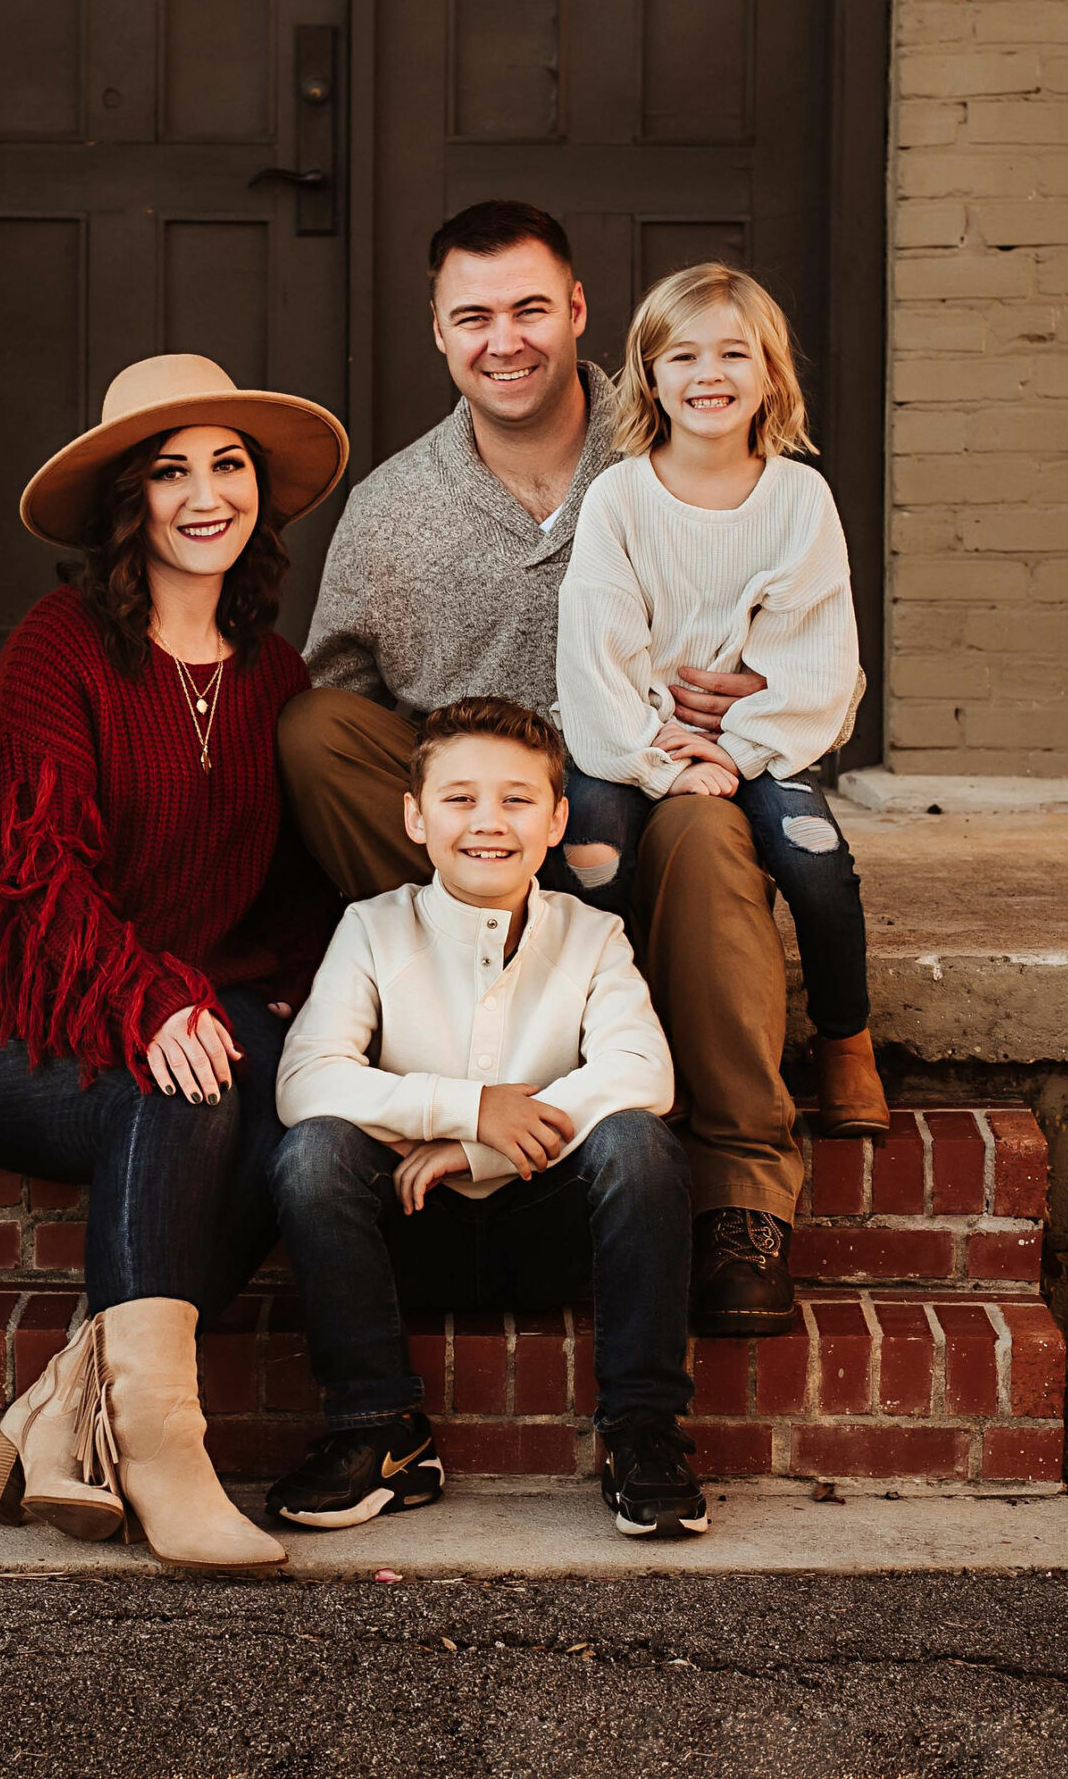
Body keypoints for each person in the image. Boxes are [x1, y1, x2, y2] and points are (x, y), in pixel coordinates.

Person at [280, 200, 806, 1334]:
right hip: (481, 839)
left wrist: (758, 694)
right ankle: (462, 1011)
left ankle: (739, 1197)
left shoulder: (684, 445)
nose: (504, 340)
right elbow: (344, 702)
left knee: (712, 833)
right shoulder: (390, 510)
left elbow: (808, 634)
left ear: (576, 310)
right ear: (437, 330)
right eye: (472, 317)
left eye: (528, 309)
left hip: (650, 799)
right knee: (315, 729)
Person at [0, 353, 347, 1576]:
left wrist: (296, 991)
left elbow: (289, 884)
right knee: (180, 1084)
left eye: (227, 465)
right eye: (169, 471)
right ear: (128, 503)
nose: (205, 494)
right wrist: (149, 998)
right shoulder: (62, 645)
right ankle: (161, 1452)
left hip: (163, 1003)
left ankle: (64, 1408)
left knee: (272, 1086)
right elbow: (31, 870)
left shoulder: (273, 671)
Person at [266, 698, 705, 1541]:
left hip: (551, 1232)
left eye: (516, 799)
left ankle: (642, 1431)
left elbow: (642, 1071)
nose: (488, 822)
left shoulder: (592, 935)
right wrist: (467, 1107)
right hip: (407, 1234)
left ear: (556, 820)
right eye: (459, 798)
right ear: (415, 817)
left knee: (638, 1141)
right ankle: (379, 1430)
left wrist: (478, 1148)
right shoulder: (370, 928)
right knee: (314, 1153)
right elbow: (306, 1080)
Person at [555, 264, 888, 1139]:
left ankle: (846, 1040)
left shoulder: (798, 499)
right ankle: (612, 1032)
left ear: (770, 373)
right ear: (649, 377)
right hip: (637, 738)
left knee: (814, 857)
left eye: (733, 353)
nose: (709, 374)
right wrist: (657, 761)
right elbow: (596, 650)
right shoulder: (619, 497)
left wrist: (735, 752)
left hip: (759, 744)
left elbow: (814, 658)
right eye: (682, 355)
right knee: (590, 856)